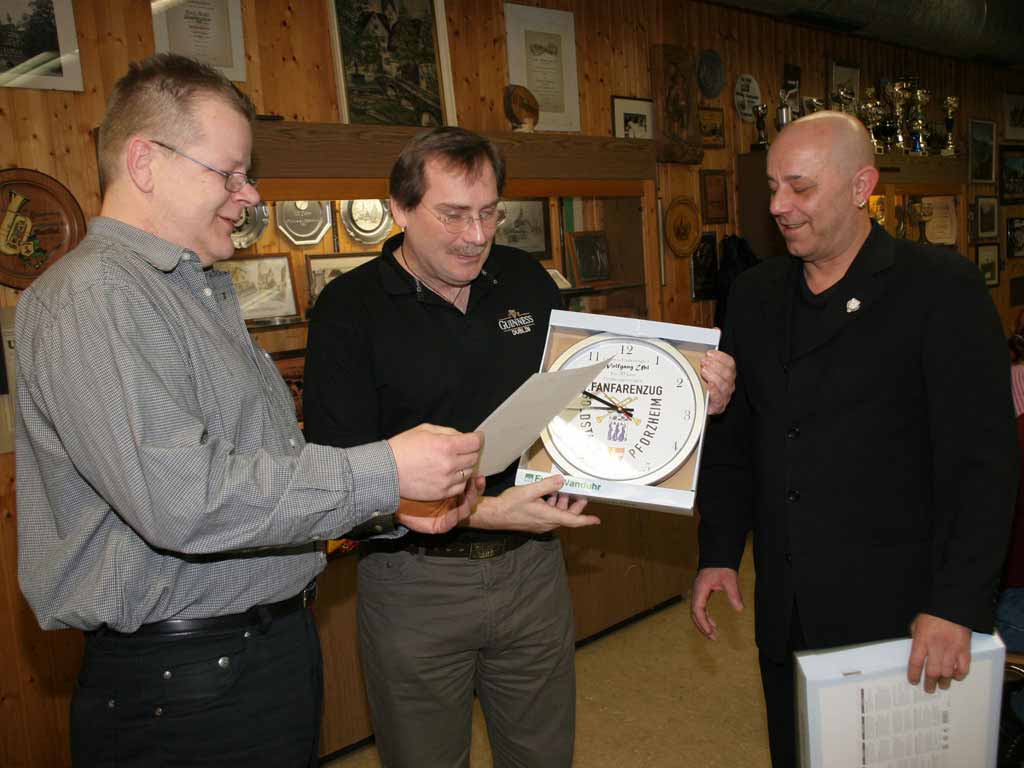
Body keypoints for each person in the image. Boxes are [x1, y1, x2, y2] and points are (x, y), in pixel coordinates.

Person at [15, 54, 483, 768]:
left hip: (250, 657)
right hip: (185, 683)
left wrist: (388, 506)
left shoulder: (188, 292)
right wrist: (385, 471)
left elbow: (262, 471)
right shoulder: (95, 296)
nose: (249, 194)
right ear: (144, 162)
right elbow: (184, 501)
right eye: (229, 174)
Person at [304, 126, 737, 767]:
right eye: (453, 215)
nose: (476, 235)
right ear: (399, 209)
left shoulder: (525, 279)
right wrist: (484, 511)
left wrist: (693, 394)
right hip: (415, 582)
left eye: (489, 213)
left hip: (533, 572)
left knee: (542, 755)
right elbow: (338, 477)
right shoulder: (348, 308)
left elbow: (589, 395)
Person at [691, 111, 1018, 768]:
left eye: (801, 187)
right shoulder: (754, 293)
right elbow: (737, 437)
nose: (779, 206)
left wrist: (957, 604)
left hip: (902, 611)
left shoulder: (941, 289)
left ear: (862, 186)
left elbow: (984, 465)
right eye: (772, 187)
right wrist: (719, 551)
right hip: (788, 606)